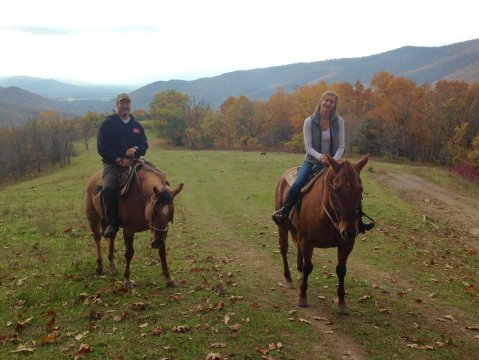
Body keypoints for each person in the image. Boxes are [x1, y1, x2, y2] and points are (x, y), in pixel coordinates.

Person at [272, 90, 374, 233]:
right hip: (312, 160)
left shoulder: (339, 121)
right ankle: (284, 212)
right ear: (321, 101)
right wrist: (320, 157)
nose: (328, 103)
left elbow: (341, 145)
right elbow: (308, 146)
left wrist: (334, 160)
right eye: (326, 100)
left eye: (332, 102)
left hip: (335, 163)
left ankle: (360, 221)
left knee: (352, 187)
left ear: (334, 105)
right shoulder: (309, 121)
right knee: (297, 185)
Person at [97, 93, 148, 238]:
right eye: (122, 103)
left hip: (135, 162)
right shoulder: (108, 123)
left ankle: (151, 215)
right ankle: (111, 223)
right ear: (117, 105)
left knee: (155, 178)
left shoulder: (136, 125)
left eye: (127, 103)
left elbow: (144, 144)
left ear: (130, 105)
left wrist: (136, 149)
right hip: (113, 164)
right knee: (109, 188)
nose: (125, 106)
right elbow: (102, 147)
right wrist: (118, 159)